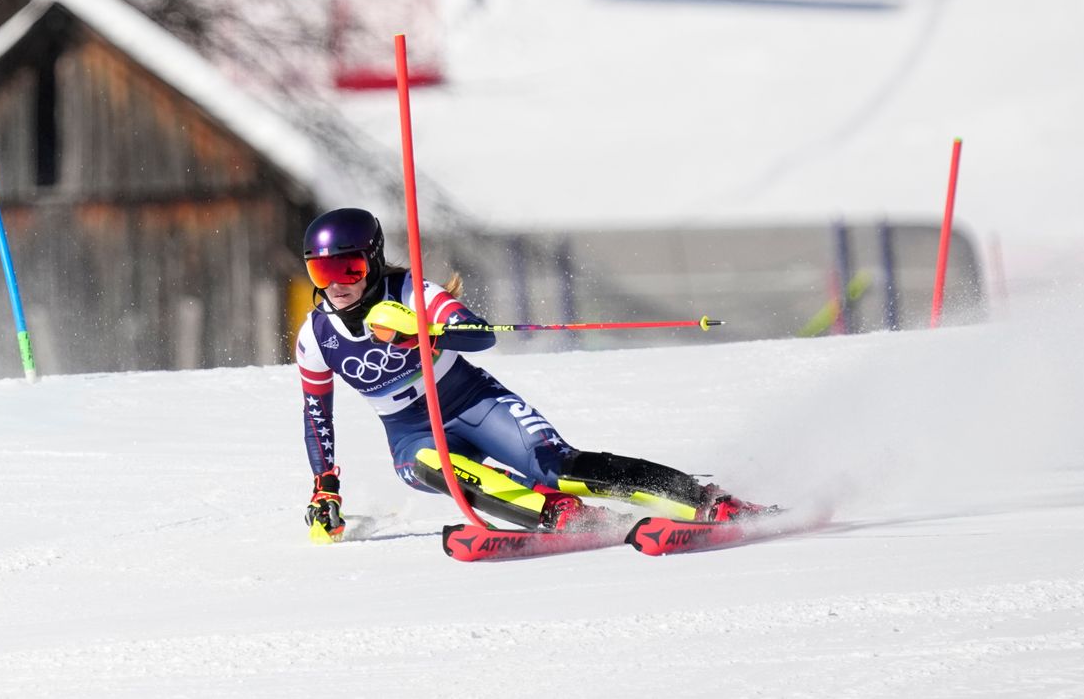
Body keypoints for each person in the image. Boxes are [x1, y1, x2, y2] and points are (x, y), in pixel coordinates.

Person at [296, 207, 764, 542]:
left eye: (349, 267)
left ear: (373, 262)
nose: (336, 284)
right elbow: (317, 415)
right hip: (410, 433)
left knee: (557, 467)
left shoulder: (414, 292)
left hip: (471, 400)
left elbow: (480, 336)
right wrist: (325, 488)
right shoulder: (316, 336)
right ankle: (562, 516)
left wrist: (424, 335)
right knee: (427, 467)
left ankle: (703, 499)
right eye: (322, 272)